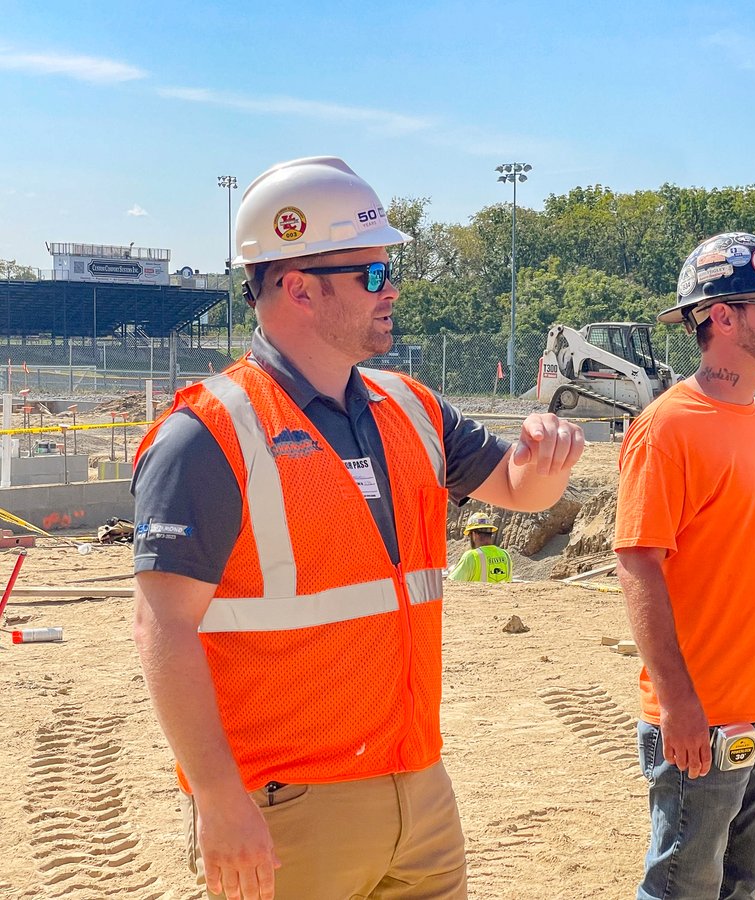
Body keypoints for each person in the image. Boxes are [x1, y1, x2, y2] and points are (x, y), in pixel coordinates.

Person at [130, 156, 585, 900]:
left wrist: (550, 459)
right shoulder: (207, 434)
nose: (393, 288)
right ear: (299, 287)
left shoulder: (410, 406)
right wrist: (217, 799)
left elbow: (518, 490)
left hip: (420, 789)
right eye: (371, 274)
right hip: (288, 810)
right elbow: (162, 626)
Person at [613, 231, 755, 900]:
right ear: (720, 316)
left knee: (744, 881)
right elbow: (638, 564)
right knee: (683, 885)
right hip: (705, 715)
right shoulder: (668, 429)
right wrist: (680, 705)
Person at [448, 512, 512, 582]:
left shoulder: (471, 556)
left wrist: (452, 571)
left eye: (469, 535)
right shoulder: (506, 555)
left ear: (474, 534)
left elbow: (453, 582)